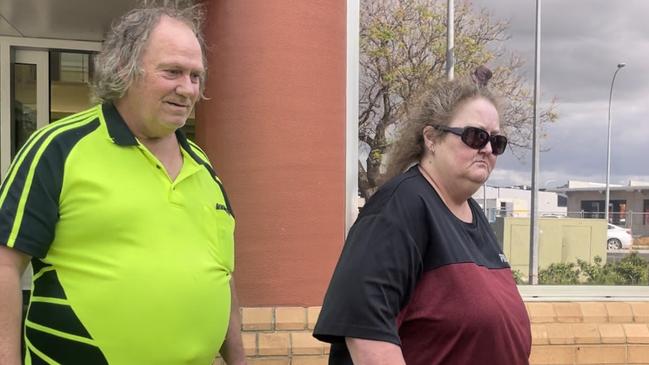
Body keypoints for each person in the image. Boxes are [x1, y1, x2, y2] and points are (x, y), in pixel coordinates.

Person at [0, 3, 246, 365]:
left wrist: (240, 360)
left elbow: (221, 275)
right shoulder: (58, 148)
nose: (188, 89)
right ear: (123, 68)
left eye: (196, 76)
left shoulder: (203, 166)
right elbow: (5, 264)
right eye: (173, 71)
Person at [313, 68, 531, 365]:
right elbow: (368, 337)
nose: (488, 149)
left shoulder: (471, 213)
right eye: (475, 136)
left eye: (497, 141)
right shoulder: (399, 207)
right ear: (431, 138)